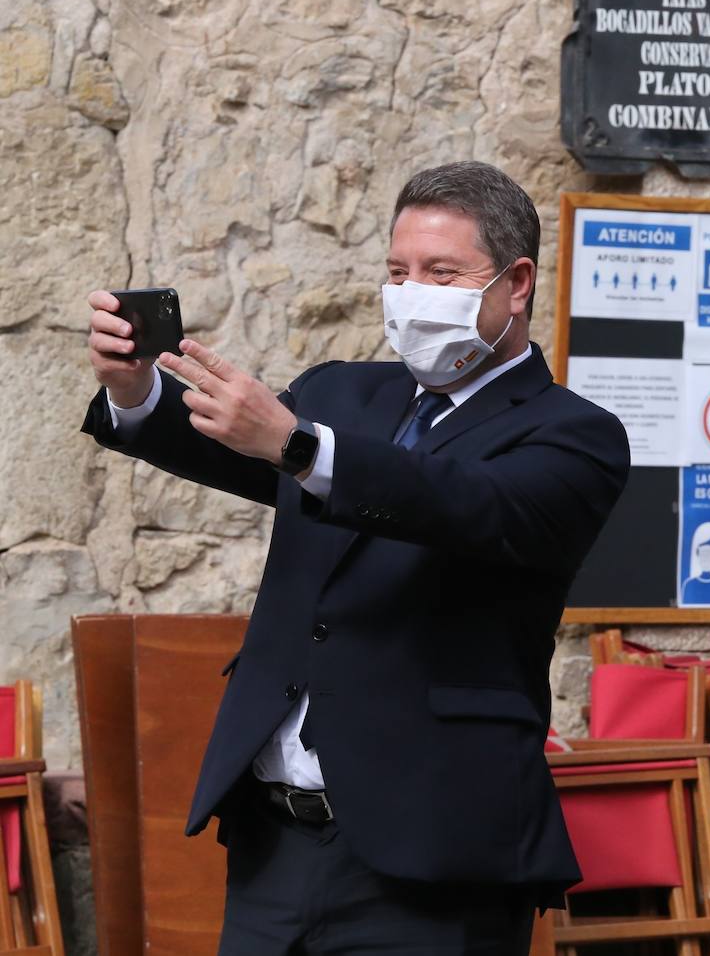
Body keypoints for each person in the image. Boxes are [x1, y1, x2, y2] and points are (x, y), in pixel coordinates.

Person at [81, 161, 631, 954]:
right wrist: (135, 391)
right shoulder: (343, 394)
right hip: (277, 840)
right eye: (397, 271)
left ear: (516, 284)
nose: (412, 292)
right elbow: (242, 452)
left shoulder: (573, 432)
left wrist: (298, 445)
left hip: (432, 858)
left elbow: (461, 505)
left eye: (442, 273)